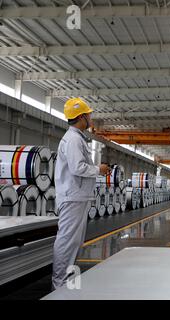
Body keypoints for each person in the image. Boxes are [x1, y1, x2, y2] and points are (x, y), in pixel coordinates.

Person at [52, 97, 110, 289]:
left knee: (74, 242)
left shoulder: (76, 138)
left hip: (77, 196)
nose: (91, 117)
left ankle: (65, 283)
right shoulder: (73, 139)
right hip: (72, 197)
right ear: (82, 117)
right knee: (68, 241)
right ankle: (60, 285)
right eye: (89, 114)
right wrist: (98, 169)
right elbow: (77, 167)